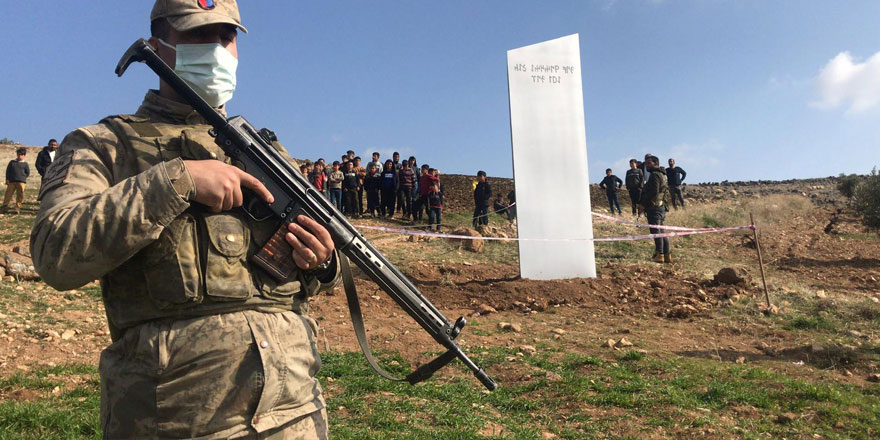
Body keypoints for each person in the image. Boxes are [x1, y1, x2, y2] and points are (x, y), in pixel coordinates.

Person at [30, 2, 340, 437]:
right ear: (158, 48)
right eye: (198, 36)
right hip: (175, 417)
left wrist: (322, 261)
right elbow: (54, 250)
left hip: (294, 413)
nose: (216, 48)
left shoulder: (269, 152)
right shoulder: (104, 144)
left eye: (226, 37)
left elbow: (323, 268)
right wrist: (176, 182)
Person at [640, 155, 671, 263]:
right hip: (660, 207)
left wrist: (643, 204)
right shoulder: (662, 174)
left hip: (654, 207)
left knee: (656, 231)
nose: (647, 166)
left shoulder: (655, 175)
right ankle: (666, 254)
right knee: (662, 231)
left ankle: (660, 254)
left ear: (656, 164)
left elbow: (654, 192)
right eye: (646, 164)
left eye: (649, 163)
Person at [3, 148, 29, 214]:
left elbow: (27, 172)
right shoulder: (12, 162)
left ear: (24, 155)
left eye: (21, 155)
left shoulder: (25, 164)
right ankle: (4, 206)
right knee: (8, 194)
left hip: (21, 182)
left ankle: (17, 207)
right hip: (12, 181)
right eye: (18, 155)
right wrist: (7, 179)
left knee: (20, 194)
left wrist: (22, 178)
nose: (19, 156)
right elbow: (8, 171)